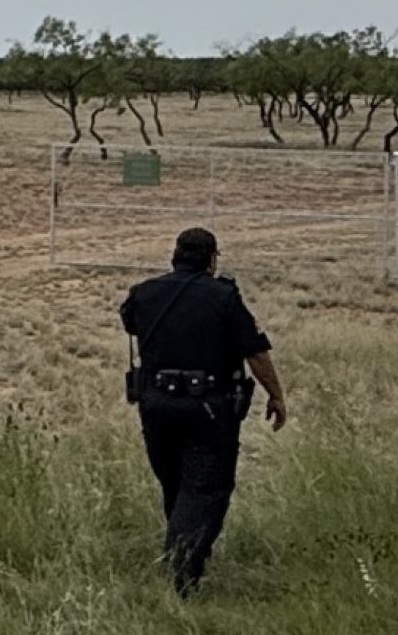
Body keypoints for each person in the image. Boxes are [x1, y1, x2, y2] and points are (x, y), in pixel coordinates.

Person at [119, 228, 287, 597]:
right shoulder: (224, 298)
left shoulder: (143, 293)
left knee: (175, 484)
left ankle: (183, 555)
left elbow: (129, 322)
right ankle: (182, 571)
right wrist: (276, 396)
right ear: (212, 259)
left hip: (156, 406)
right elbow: (255, 353)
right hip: (209, 409)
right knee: (206, 488)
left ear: (174, 256)